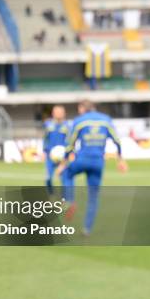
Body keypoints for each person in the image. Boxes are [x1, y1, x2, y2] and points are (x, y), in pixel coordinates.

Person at [56, 100, 128, 235]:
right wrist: (120, 159)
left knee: (66, 174)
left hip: (82, 159)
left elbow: (70, 144)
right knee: (93, 196)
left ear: (82, 108)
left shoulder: (79, 121)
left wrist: (63, 163)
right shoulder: (106, 120)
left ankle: (70, 201)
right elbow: (117, 140)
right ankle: (87, 229)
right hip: (98, 162)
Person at [43, 105, 70, 196]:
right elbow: (45, 139)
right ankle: (51, 195)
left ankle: (64, 199)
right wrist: (44, 151)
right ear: (53, 113)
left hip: (63, 158)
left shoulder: (67, 126)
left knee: (64, 179)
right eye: (56, 112)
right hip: (50, 157)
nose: (58, 114)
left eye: (60, 112)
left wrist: (68, 155)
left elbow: (70, 142)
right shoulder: (48, 124)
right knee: (48, 178)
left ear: (64, 113)